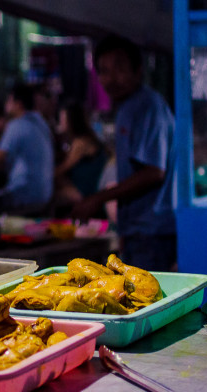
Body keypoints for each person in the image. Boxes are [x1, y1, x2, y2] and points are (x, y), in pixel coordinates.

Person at [72, 35, 177, 271]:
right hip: (138, 230)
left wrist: (98, 199)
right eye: (104, 71)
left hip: (152, 231)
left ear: (138, 71)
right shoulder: (129, 107)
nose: (111, 78)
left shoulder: (147, 106)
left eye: (119, 68)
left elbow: (154, 172)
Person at [0, 82, 55, 214]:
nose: (6, 106)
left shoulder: (17, 125)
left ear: (18, 104)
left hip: (23, 197)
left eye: (8, 101)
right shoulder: (42, 123)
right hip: (45, 197)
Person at [55, 102, 109, 206]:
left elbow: (64, 168)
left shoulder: (81, 142)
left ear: (72, 121)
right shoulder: (81, 139)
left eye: (63, 119)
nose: (60, 123)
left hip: (87, 190)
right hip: (86, 187)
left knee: (51, 193)